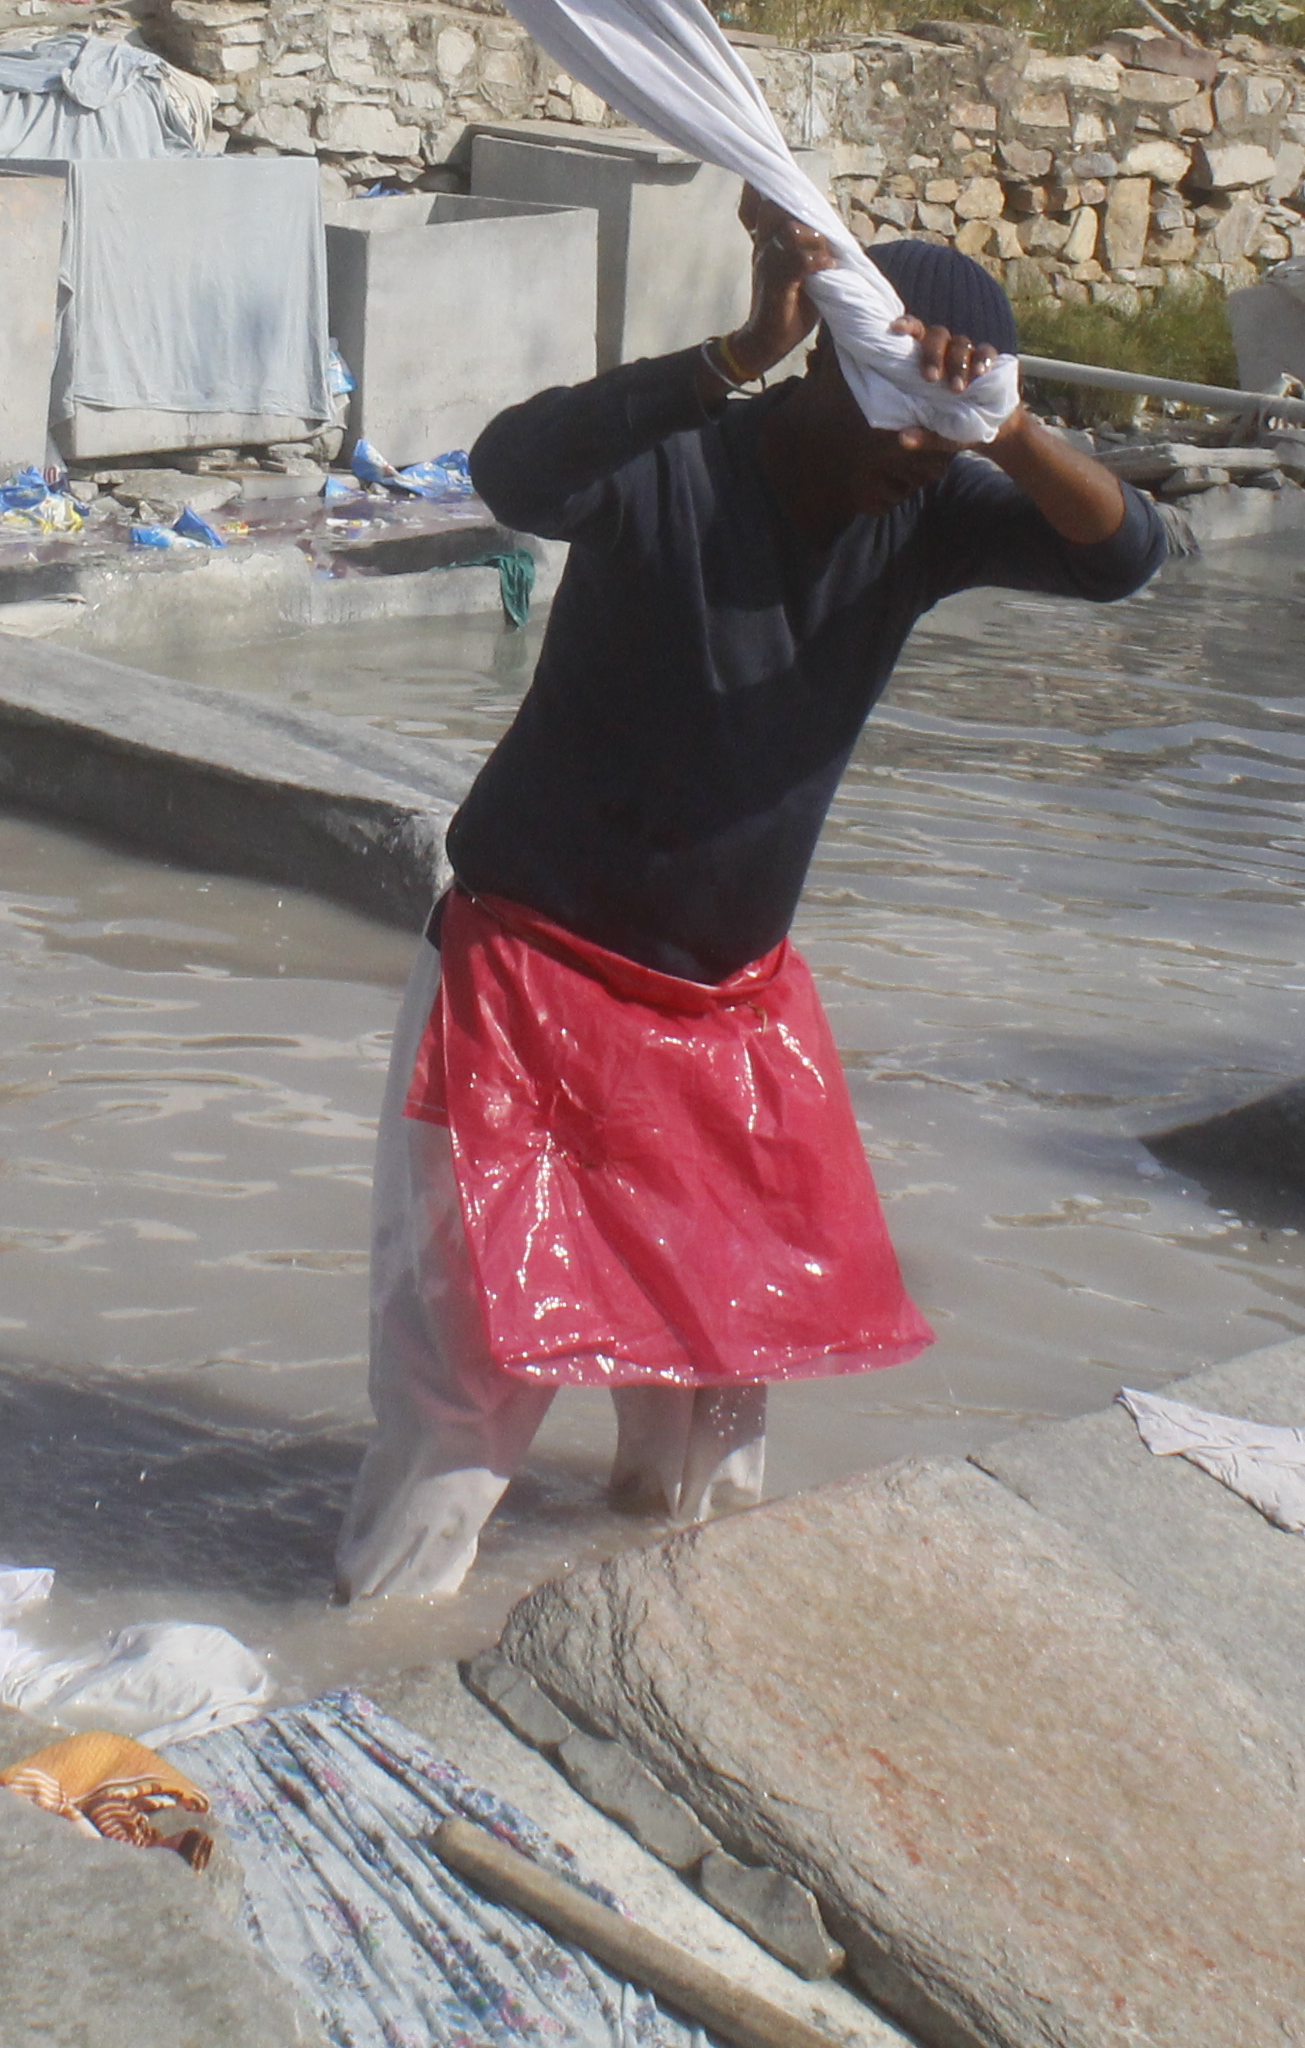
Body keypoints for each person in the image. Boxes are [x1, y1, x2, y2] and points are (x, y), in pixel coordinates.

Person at [335, 197, 1167, 1602]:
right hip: (527, 984)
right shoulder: (674, 466)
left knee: (716, 1400)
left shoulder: (930, 507)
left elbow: (1127, 556)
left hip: (722, 1020)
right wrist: (733, 348)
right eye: (896, 412)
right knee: (469, 1387)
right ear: (826, 367)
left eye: (944, 431)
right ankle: (372, 1653)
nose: (918, 455)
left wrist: (1006, 427)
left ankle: (654, 1656)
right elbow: (512, 469)